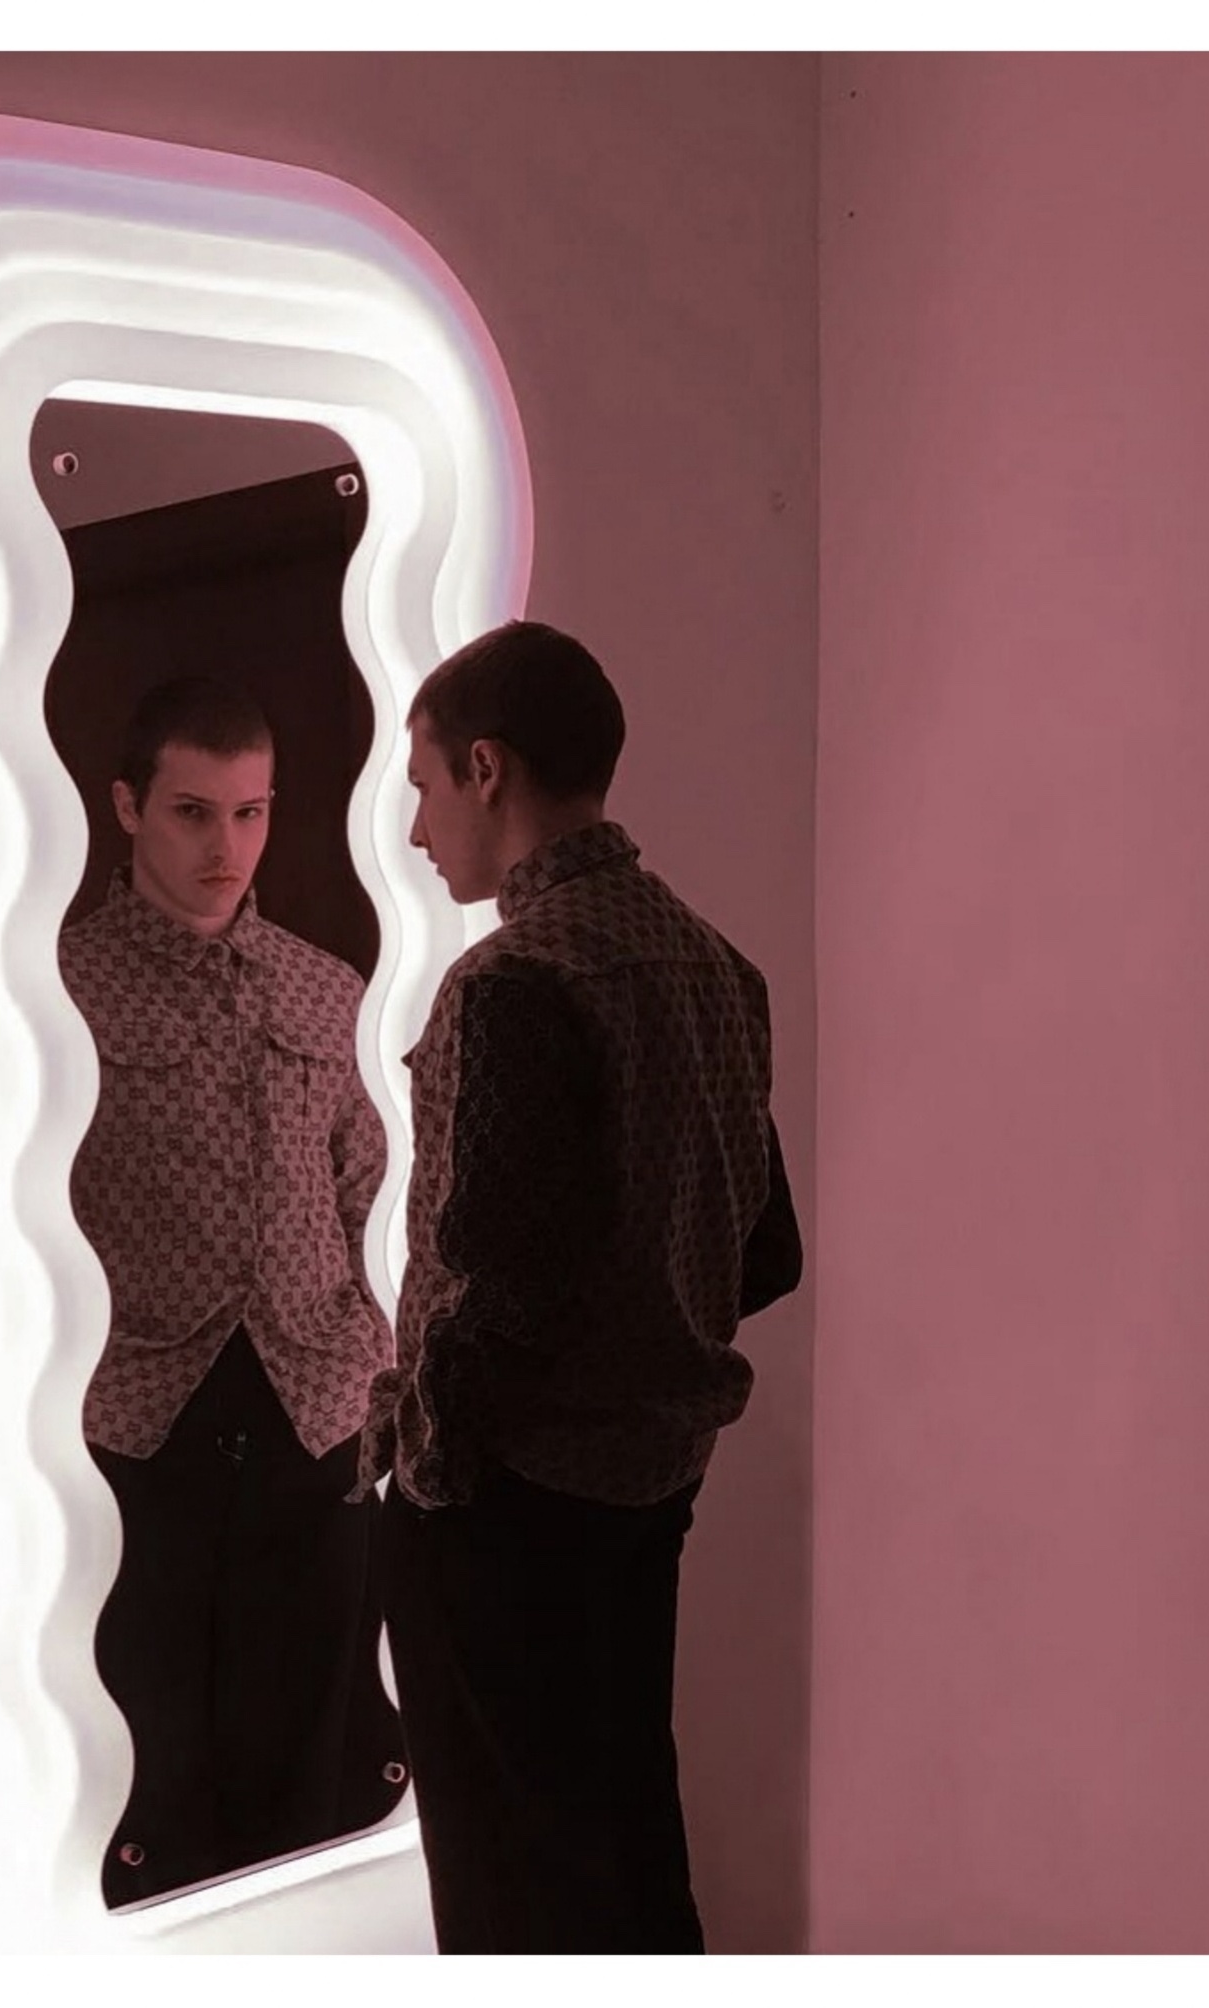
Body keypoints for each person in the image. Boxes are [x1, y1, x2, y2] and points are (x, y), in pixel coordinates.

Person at [356, 619, 803, 1953]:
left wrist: (417, 1468)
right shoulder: (717, 967)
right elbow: (766, 1252)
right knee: (621, 1860)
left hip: (509, 1513)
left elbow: (504, 1292)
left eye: (424, 784)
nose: (417, 827)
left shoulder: (512, 982)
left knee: (509, 1902)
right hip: (650, 1491)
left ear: (486, 769)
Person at [59, 674, 404, 1908]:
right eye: (193, 812)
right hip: (134, 1419)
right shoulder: (59, 989)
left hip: (315, 1410)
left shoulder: (325, 988)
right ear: (127, 807)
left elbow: (371, 1193)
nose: (226, 845)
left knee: (311, 1762)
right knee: (149, 1768)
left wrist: (373, 1365)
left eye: (250, 812)